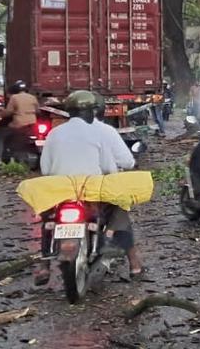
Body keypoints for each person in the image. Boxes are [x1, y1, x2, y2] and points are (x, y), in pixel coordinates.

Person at [39, 90, 142, 282]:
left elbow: (45, 169)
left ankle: (44, 265)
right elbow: (110, 166)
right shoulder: (101, 131)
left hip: (61, 191)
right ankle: (132, 262)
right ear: (93, 111)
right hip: (92, 190)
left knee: (48, 218)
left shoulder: (54, 133)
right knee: (120, 206)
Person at [0, 81, 39, 167]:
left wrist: (1, 113)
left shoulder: (14, 97)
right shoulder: (32, 97)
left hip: (18, 125)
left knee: (0, 136)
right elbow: (37, 110)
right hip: (32, 124)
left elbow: (9, 112)